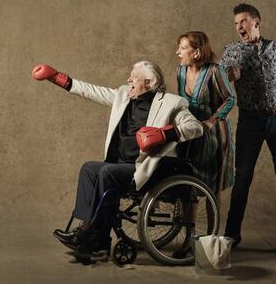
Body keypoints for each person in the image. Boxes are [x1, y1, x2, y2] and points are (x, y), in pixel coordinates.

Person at [31, 61, 203, 263]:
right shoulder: (123, 95)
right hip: (119, 163)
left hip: (144, 168)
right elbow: (92, 91)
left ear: (149, 82)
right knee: (89, 169)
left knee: (107, 173)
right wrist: (58, 77)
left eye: (134, 77)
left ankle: (90, 235)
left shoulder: (171, 103)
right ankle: (94, 233)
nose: (128, 79)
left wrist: (166, 133)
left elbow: (195, 127)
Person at [174, 31, 235, 256]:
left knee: (212, 188)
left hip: (214, 137)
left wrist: (212, 120)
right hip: (190, 135)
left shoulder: (214, 71)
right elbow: (181, 102)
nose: (178, 52)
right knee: (188, 186)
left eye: (182, 48)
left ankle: (210, 239)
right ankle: (188, 241)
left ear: (196, 51)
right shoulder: (180, 71)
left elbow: (230, 99)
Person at [220, 3, 276, 248]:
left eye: (243, 21)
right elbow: (225, 77)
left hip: (275, 119)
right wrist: (232, 74)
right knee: (242, 178)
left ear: (256, 21)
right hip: (250, 120)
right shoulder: (232, 50)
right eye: (236, 23)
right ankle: (232, 235)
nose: (239, 27)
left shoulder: (275, 48)